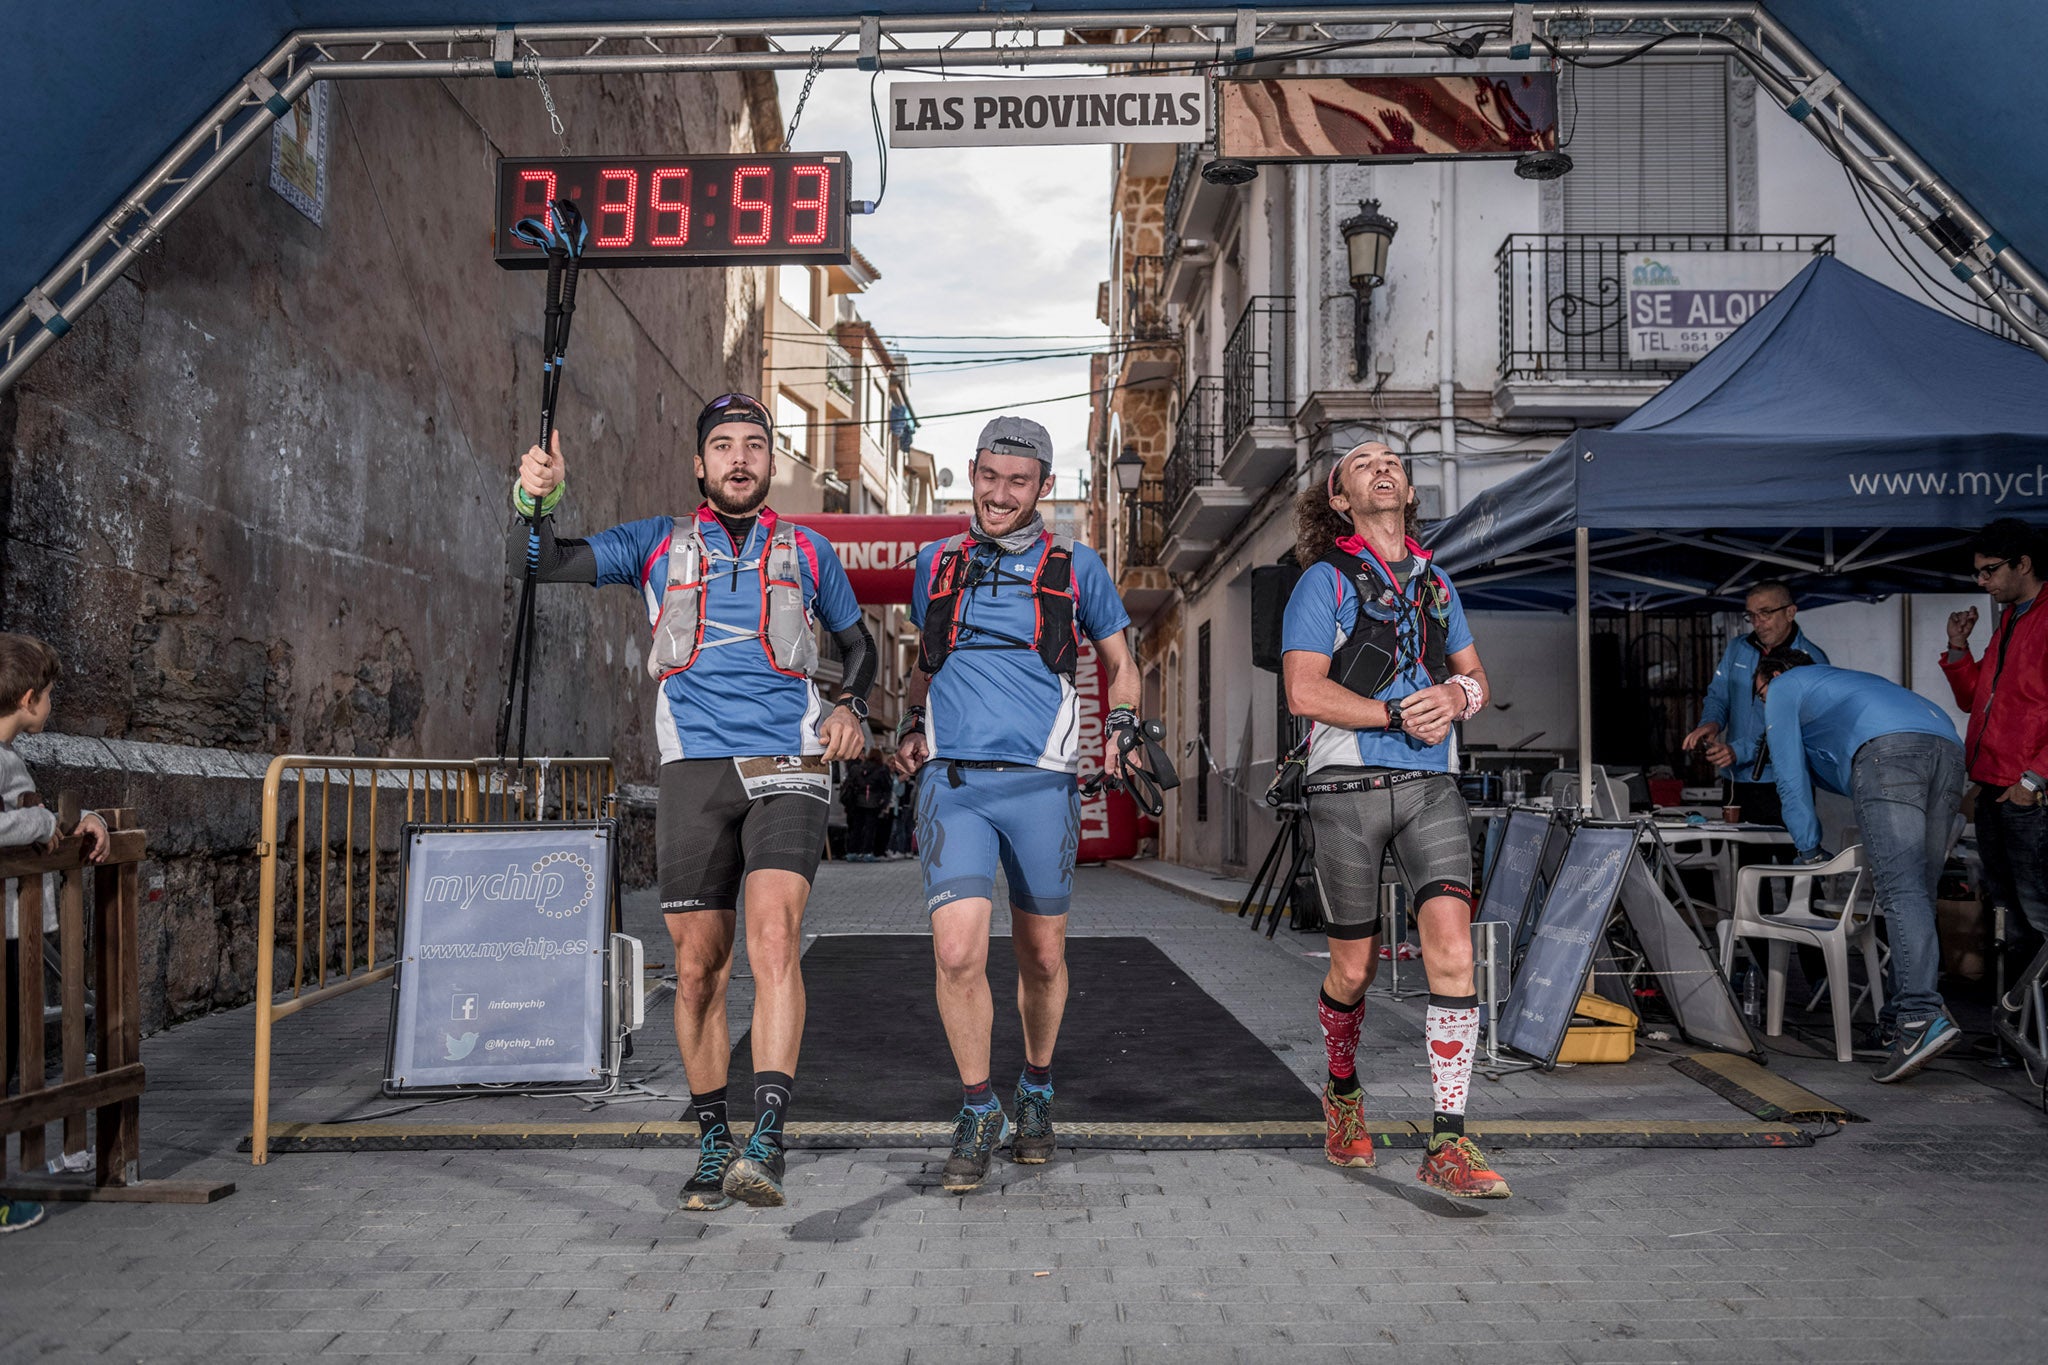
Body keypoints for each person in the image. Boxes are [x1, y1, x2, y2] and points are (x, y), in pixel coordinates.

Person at [514, 393, 875, 1211]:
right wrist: (537, 499)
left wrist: (848, 704)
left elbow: (860, 644)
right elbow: (541, 564)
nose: (740, 458)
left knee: (774, 938)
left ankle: (768, 1138)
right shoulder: (655, 543)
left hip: (789, 757)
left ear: (773, 461)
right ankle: (715, 1138)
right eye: (723, 445)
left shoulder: (810, 551)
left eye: (755, 443)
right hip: (693, 766)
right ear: (700, 463)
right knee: (696, 968)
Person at [890, 416, 1137, 1193]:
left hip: (1043, 785)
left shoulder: (1076, 567)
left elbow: (1122, 665)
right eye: (989, 477)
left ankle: (1034, 1090)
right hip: (954, 785)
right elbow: (925, 666)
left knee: (1043, 955)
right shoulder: (934, 563)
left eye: (1017, 482)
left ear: (1044, 488)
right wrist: (906, 720)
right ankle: (976, 1106)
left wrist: (1123, 726)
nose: (999, 494)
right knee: (958, 951)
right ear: (972, 471)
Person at [1280, 441, 1507, 1198]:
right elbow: (1305, 693)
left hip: (1429, 784)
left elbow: (1475, 678)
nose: (1383, 468)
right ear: (1341, 499)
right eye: (1362, 463)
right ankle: (1342, 1092)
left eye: (1394, 463)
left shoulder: (1439, 583)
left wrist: (1455, 700)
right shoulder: (1323, 580)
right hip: (1344, 784)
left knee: (1452, 949)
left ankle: (1449, 1141)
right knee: (1354, 968)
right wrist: (1394, 711)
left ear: (1407, 491)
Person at [1753, 651, 1966, 1081]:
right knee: (1917, 894)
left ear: (1774, 675)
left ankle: (1919, 1019)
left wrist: (1809, 849)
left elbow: (1790, 780)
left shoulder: (1782, 686)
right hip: (1946, 744)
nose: (1763, 705)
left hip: (1889, 751)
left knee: (1901, 891)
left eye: (1759, 695)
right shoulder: (1845, 682)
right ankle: (1897, 1019)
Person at [0, 633, 111, 1236]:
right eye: (47, 696)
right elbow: (20, 820)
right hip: (6, 928)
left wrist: (82, 819)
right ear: (27, 698)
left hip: (19, 929)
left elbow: (37, 817)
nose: (50, 705)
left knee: (16, 1056)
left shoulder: (10, 755)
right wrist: (44, 820)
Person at [1940, 519, 2048, 993]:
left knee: (2038, 914)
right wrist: (1958, 649)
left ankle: (2035, 1036)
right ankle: (2024, 1032)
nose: (1982, 582)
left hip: (2025, 792)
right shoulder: (2012, 618)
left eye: (1989, 571)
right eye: (1978, 573)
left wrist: (2034, 780)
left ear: (2024, 564)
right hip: (1996, 788)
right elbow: (1975, 700)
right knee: (2012, 917)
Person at [1683, 580, 1829, 826]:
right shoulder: (1738, 648)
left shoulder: (1811, 660)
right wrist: (1710, 723)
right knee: (1742, 860)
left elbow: (1796, 728)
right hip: (1736, 778)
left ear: (1790, 612)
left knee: (1789, 858)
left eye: (1765, 613)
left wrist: (1738, 751)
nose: (1757, 623)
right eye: (1751, 615)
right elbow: (1718, 695)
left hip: (1786, 781)